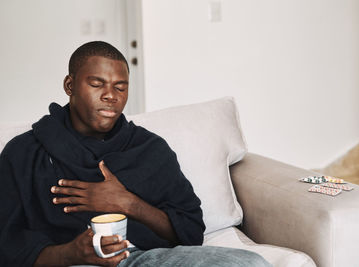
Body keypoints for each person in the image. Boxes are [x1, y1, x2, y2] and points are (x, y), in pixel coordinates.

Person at [0, 41, 271, 267]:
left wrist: (128, 203)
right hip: (70, 262)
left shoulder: (148, 149)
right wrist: (70, 253)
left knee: (251, 263)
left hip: (144, 258)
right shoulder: (25, 153)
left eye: (120, 87)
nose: (111, 96)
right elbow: (6, 244)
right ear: (70, 86)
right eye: (97, 84)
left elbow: (190, 230)